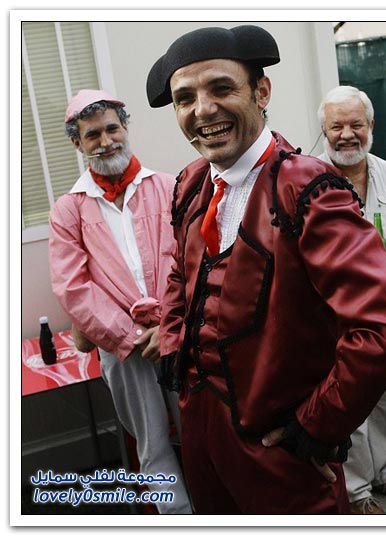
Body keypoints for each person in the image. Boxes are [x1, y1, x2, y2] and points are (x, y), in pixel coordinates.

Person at [145, 25, 386, 515]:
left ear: (262, 91)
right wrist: (173, 340)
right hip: (202, 437)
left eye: (221, 88)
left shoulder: (307, 187)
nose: (202, 110)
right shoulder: (191, 183)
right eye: (184, 98)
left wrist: (317, 424)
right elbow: (179, 270)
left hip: (279, 454)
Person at [49, 89, 192, 514]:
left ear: (126, 128)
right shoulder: (68, 210)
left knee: (201, 430)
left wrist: (168, 326)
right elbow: (73, 288)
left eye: (113, 128)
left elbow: (190, 260)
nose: (106, 140)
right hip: (122, 350)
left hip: (179, 334)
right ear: (78, 144)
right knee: (151, 444)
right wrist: (130, 337)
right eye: (93, 135)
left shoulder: (169, 186)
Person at [316, 85, 386, 515]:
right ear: (323, 130)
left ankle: (381, 472)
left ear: (371, 127)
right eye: (336, 126)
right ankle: (357, 492)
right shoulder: (309, 177)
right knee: (354, 407)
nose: (347, 134)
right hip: (338, 317)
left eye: (356, 124)